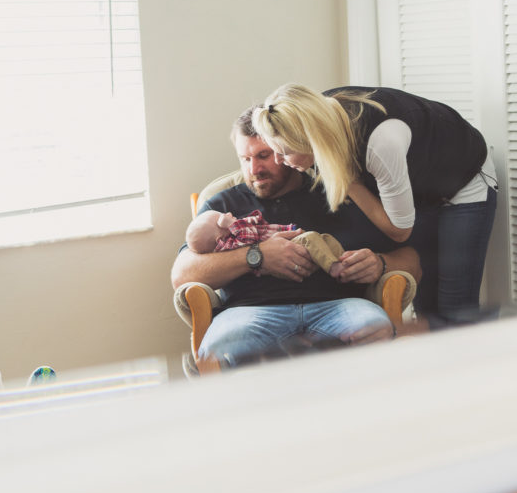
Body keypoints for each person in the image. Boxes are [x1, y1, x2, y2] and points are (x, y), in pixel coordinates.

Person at [171, 107, 421, 370]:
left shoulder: (337, 193)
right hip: (250, 313)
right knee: (221, 348)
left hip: (338, 306)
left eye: (264, 156)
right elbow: (182, 274)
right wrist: (256, 257)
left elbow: (411, 259)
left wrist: (379, 264)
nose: (254, 169)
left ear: (285, 149)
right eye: (245, 159)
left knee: (377, 330)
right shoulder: (222, 205)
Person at [252, 84, 497, 329]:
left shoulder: (381, 142)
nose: (279, 161)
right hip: (419, 189)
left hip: (464, 181)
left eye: (285, 153)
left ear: (313, 141)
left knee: (456, 305)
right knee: (426, 307)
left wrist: (347, 178)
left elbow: (400, 230)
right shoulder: (317, 118)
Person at [186, 208, 347, 278]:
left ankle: (342, 263)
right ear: (219, 240)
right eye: (221, 218)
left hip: (290, 246)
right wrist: (230, 224)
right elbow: (249, 240)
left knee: (324, 239)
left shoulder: (237, 231)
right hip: (279, 264)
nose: (228, 214)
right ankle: (334, 269)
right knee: (310, 237)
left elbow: (261, 227)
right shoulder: (229, 245)